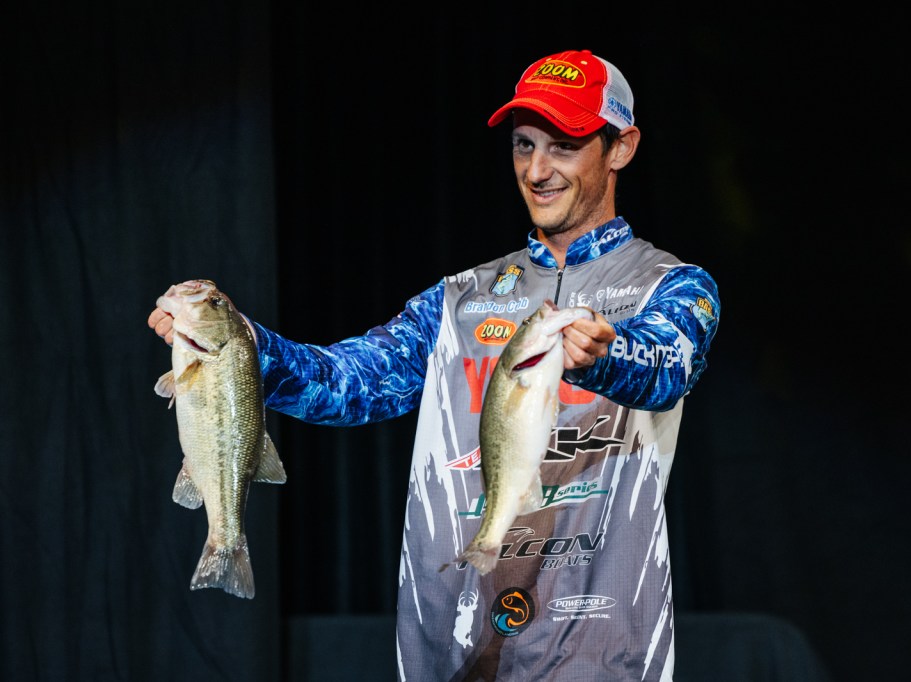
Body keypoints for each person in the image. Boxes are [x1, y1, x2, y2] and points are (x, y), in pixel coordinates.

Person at [149, 48, 720, 680]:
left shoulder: (672, 285)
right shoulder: (458, 300)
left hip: (604, 647)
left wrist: (604, 355)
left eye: (563, 146)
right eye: (523, 145)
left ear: (622, 148)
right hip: (455, 640)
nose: (536, 170)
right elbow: (347, 384)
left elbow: (668, 367)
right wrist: (234, 342)